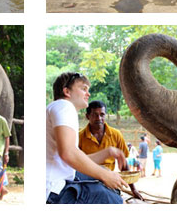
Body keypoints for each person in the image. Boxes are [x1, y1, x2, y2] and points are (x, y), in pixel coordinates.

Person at [46, 72, 129, 204]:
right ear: (67, 91)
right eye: (83, 89)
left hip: (56, 182)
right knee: (112, 198)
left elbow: (75, 159)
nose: (88, 94)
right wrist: (105, 175)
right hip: (54, 191)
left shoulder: (55, 107)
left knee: (104, 172)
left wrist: (108, 152)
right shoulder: (64, 106)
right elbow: (68, 153)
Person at [78, 100, 129, 171]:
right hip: (87, 179)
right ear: (87, 116)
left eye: (102, 115)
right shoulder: (79, 137)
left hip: (109, 178)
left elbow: (124, 161)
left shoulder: (116, 134)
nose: (99, 118)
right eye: (95, 115)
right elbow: (76, 162)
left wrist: (129, 181)